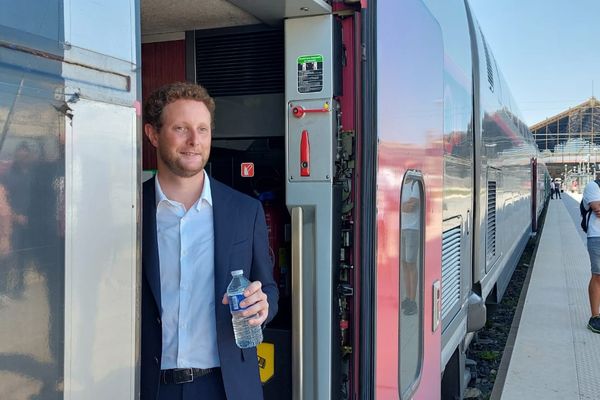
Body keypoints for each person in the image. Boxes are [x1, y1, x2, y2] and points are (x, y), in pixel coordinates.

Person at [141, 82, 278, 400]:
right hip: (147, 385)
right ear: (153, 133)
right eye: (181, 128)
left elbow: (267, 287)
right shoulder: (128, 211)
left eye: (203, 129)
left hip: (226, 387)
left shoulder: (246, 210)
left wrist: (263, 305)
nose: (194, 141)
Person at [582, 179, 600, 334]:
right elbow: (597, 208)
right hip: (597, 237)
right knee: (598, 276)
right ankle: (595, 317)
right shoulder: (593, 186)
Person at [400, 177, 421, 316]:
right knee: (404, 264)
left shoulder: (415, 184)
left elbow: (411, 206)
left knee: (411, 264)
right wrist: (402, 205)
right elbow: (405, 206)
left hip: (412, 228)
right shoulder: (402, 183)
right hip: (401, 227)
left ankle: (413, 302)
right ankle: (407, 297)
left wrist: (395, 205)